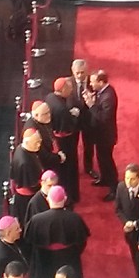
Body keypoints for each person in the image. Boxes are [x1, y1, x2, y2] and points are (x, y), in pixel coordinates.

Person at [24, 185, 90, 278]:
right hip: (69, 257)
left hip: (43, 259)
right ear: (65, 199)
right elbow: (82, 242)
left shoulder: (36, 220)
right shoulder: (75, 218)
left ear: (48, 199)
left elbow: (28, 242)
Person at [83, 70, 119, 201]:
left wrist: (91, 105)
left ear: (101, 82)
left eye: (93, 81)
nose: (90, 84)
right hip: (99, 135)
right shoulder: (102, 92)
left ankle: (114, 188)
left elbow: (103, 118)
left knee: (107, 161)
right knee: (101, 158)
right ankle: (104, 179)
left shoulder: (108, 96)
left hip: (106, 136)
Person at [46, 77, 80, 203]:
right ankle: (70, 196)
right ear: (63, 88)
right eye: (69, 88)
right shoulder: (62, 109)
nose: (71, 90)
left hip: (56, 138)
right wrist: (74, 115)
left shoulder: (50, 97)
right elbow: (69, 125)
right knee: (68, 169)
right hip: (66, 142)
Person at [67, 59, 98, 180]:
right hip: (73, 121)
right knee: (72, 146)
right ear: (72, 71)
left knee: (89, 146)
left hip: (88, 120)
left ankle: (88, 167)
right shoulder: (67, 82)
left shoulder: (92, 82)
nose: (80, 75)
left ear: (87, 71)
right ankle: (72, 168)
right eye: (77, 73)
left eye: (82, 72)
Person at [10, 128, 43, 227]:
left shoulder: (21, 147)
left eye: (39, 142)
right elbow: (32, 185)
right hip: (27, 198)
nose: (39, 145)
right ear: (27, 142)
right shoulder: (25, 163)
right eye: (36, 143)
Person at [24, 100, 65, 171]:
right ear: (36, 115)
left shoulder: (42, 120)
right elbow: (42, 155)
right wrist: (58, 157)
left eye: (49, 112)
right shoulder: (32, 131)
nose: (49, 115)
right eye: (45, 114)